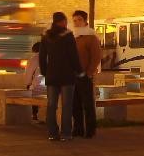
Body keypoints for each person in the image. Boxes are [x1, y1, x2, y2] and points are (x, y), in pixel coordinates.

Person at [39, 11, 82, 141]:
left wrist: (45, 72)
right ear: (62, 22)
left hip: (52, 75)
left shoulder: (46, 36)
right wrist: (79, 71)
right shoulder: (68, 36)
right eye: (65, 21)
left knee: (52, 105)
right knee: (67, 105)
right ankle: (66, 133)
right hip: (67, 76)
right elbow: (74, 56)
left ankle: (52, 133)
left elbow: (42, 57)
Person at [71, 9, 102, 138]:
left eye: (79, 20)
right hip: (72, 76)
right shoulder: (73, 37)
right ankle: (78, 129)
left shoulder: (91, 37)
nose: (76, 22)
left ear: (85, 21)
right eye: (74, 20)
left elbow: (96, 57)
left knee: (87, 103)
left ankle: (90, 129)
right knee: (75, 104)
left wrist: (89, 73)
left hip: (84, 75)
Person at [24, 42, 44, 121]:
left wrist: (28, 84)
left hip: (38, 86)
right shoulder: (51, 56)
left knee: (32, 91)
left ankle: (34, 114)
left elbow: (28, 74)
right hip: (50, 87)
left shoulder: (33, 59)